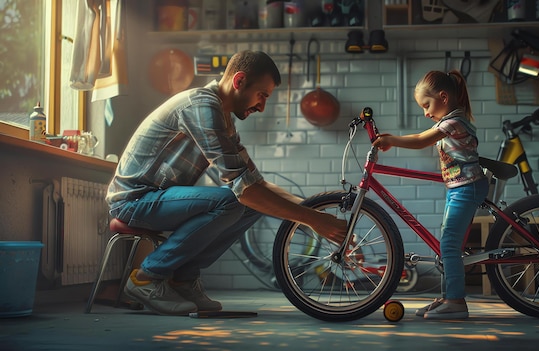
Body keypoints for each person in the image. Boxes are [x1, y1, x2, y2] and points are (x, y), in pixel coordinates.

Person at [106, 50, 347, 316]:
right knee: (233, 201)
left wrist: (316, 214)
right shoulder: (201, 107)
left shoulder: (223, 118)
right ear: (239, 81)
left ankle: (182, 279)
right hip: (134, 201)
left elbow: (256, 184)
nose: (262, 106)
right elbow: (243, 190)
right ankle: (147, 278)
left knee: (254, 204)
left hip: (158, 199)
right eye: (262, 95)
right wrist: (312, 220)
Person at [373, 69, 488, 320]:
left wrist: (393, 139)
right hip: (459, 187)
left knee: (449, 245)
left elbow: (420, 140)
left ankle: (456, 302)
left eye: (427, 105)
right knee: (447, 244)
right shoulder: (450, 120)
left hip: (466, 188)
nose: (425, 112)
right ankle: (448, 297)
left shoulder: (453, 122)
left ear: (443, 97)